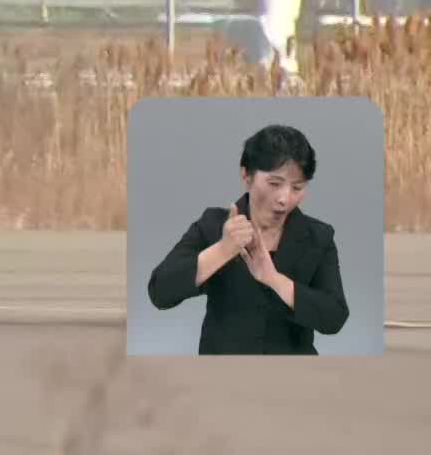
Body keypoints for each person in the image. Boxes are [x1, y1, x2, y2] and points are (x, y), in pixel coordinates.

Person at [146, 124, 349, 354]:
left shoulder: (319, 237)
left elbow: (335, 317)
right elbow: (159, 292)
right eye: (274, 184)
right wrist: (223, 249)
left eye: (297, 187)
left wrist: (273, 279)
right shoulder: (212, 225)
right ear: (246, 175)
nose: (285, 198)